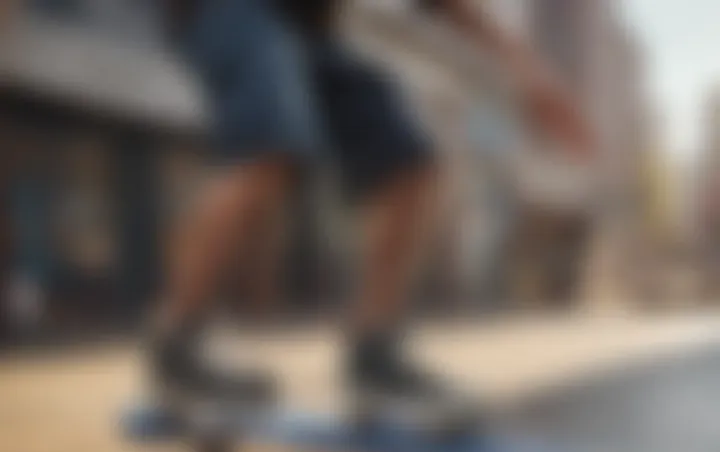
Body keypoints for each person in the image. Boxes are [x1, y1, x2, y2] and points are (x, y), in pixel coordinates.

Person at [153, 0, 595, 424]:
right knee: (268, 148)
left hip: (308, 33)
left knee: (411, 164)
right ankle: (178, 347)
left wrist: (533, 80)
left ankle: (374, 360)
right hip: (228, 10)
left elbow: (451, 6)